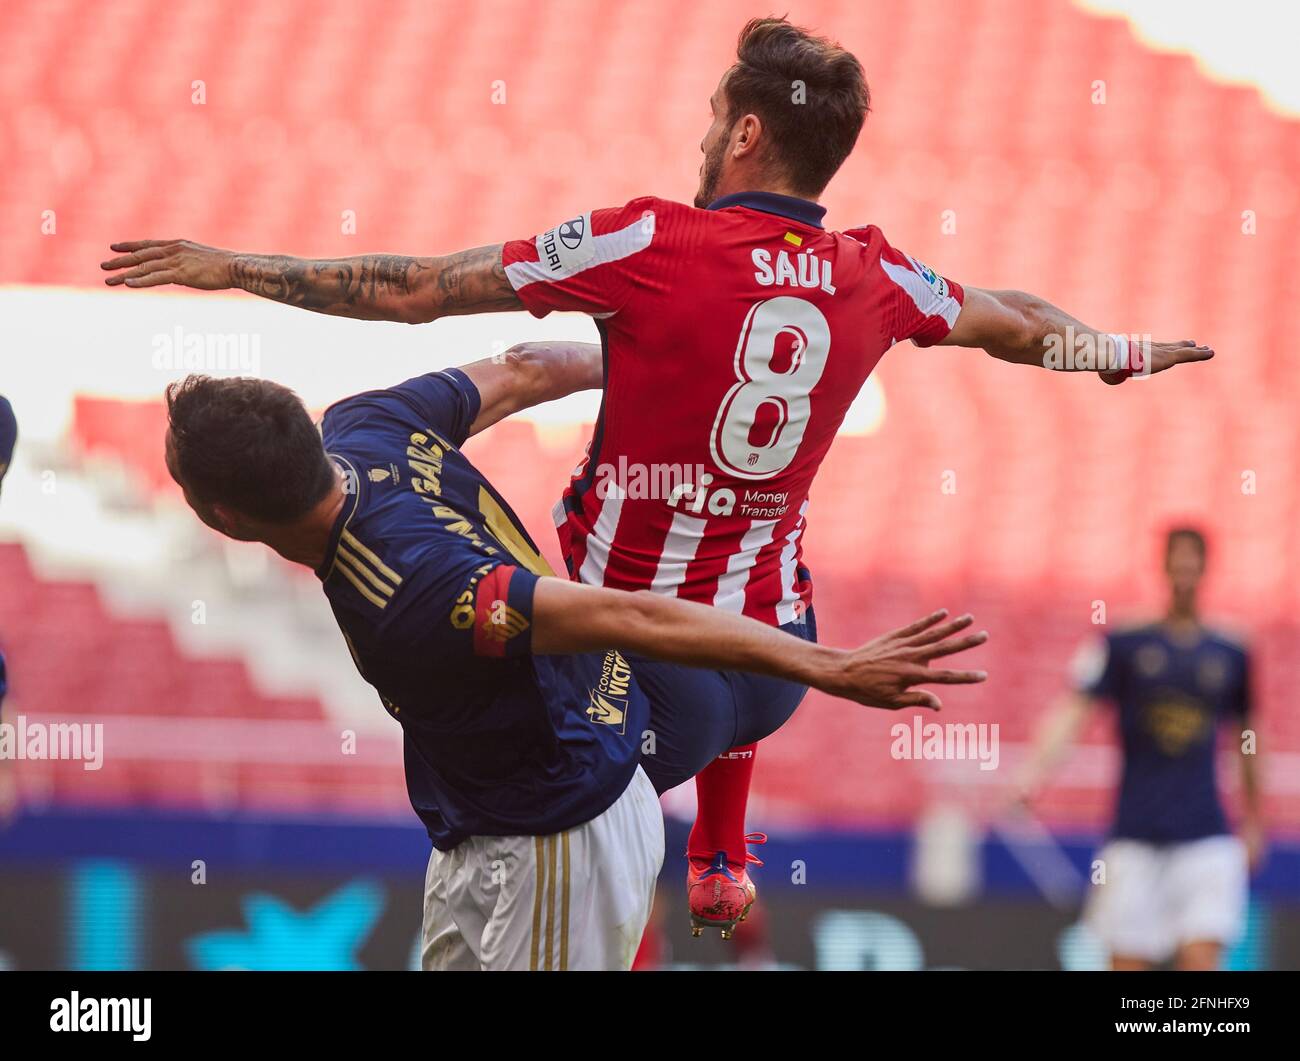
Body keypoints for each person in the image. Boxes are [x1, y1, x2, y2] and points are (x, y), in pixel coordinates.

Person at [101, 16, 1213, 936]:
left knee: (584, 822)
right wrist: (1114, 354)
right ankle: (724, 843)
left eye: (703, 123)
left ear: (741, 131)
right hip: (769, 655)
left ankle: (700, 851)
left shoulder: (645, 241)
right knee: (744, 578)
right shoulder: (877, 273)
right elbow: (1016, 322)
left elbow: (414, 289)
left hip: (641, 666)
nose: (693, 141)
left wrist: (230, 266)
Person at [162, 341, 988, 969]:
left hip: (560, 828)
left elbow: (629, 616)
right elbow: (524, 368)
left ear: (226, 518)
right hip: (483, 823)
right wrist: (663, 360)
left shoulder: (416, 593)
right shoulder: (364, 424)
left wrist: (831, 667)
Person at [1017, 528, 1263, 971]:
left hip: (1205, 834)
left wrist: (1254, 819)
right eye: (1177, 560)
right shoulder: (1125, 644)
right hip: (1134, 832)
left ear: (1206, 567)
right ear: (1164, 565)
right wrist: (1034, 772)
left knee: (1202, 961)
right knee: (1128, 963)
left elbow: (1248, 738)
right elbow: (1075, 710)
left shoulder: (1230, 651)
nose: (1185, 570)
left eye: (1193, 560)